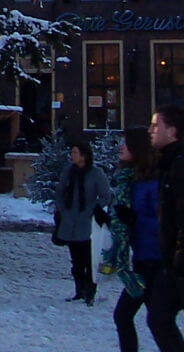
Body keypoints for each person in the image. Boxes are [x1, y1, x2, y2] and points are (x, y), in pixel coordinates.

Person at [109, 126, 161, 352]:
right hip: (141, 260)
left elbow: (165, 224)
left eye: (125, 143)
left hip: (155, 262)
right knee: (151, 320)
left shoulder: (152, 183)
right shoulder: (130, 181)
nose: (120, 147)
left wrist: (134, 220)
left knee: (153, 320)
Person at [54, 140, 111, 306]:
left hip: (87, 223)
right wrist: (63, 209)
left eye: (75, 152)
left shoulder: (96, 174)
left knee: (89, 260)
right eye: (71, 152)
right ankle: (79, 290)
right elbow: (60, 192)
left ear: (84, 155)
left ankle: (90, 291)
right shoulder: (68, 172)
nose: (72, 156)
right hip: (70, 222)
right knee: (76, 261)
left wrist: (93, 210)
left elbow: (105, 195)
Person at [147, 105, 184, 351]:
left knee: (159, 316)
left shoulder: (179, 165)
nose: (150, 130)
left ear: (171, 131)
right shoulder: (169, 163)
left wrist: (179, 261)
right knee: (158, 316)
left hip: (180, 265)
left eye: (155, 125)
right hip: (173, 264)